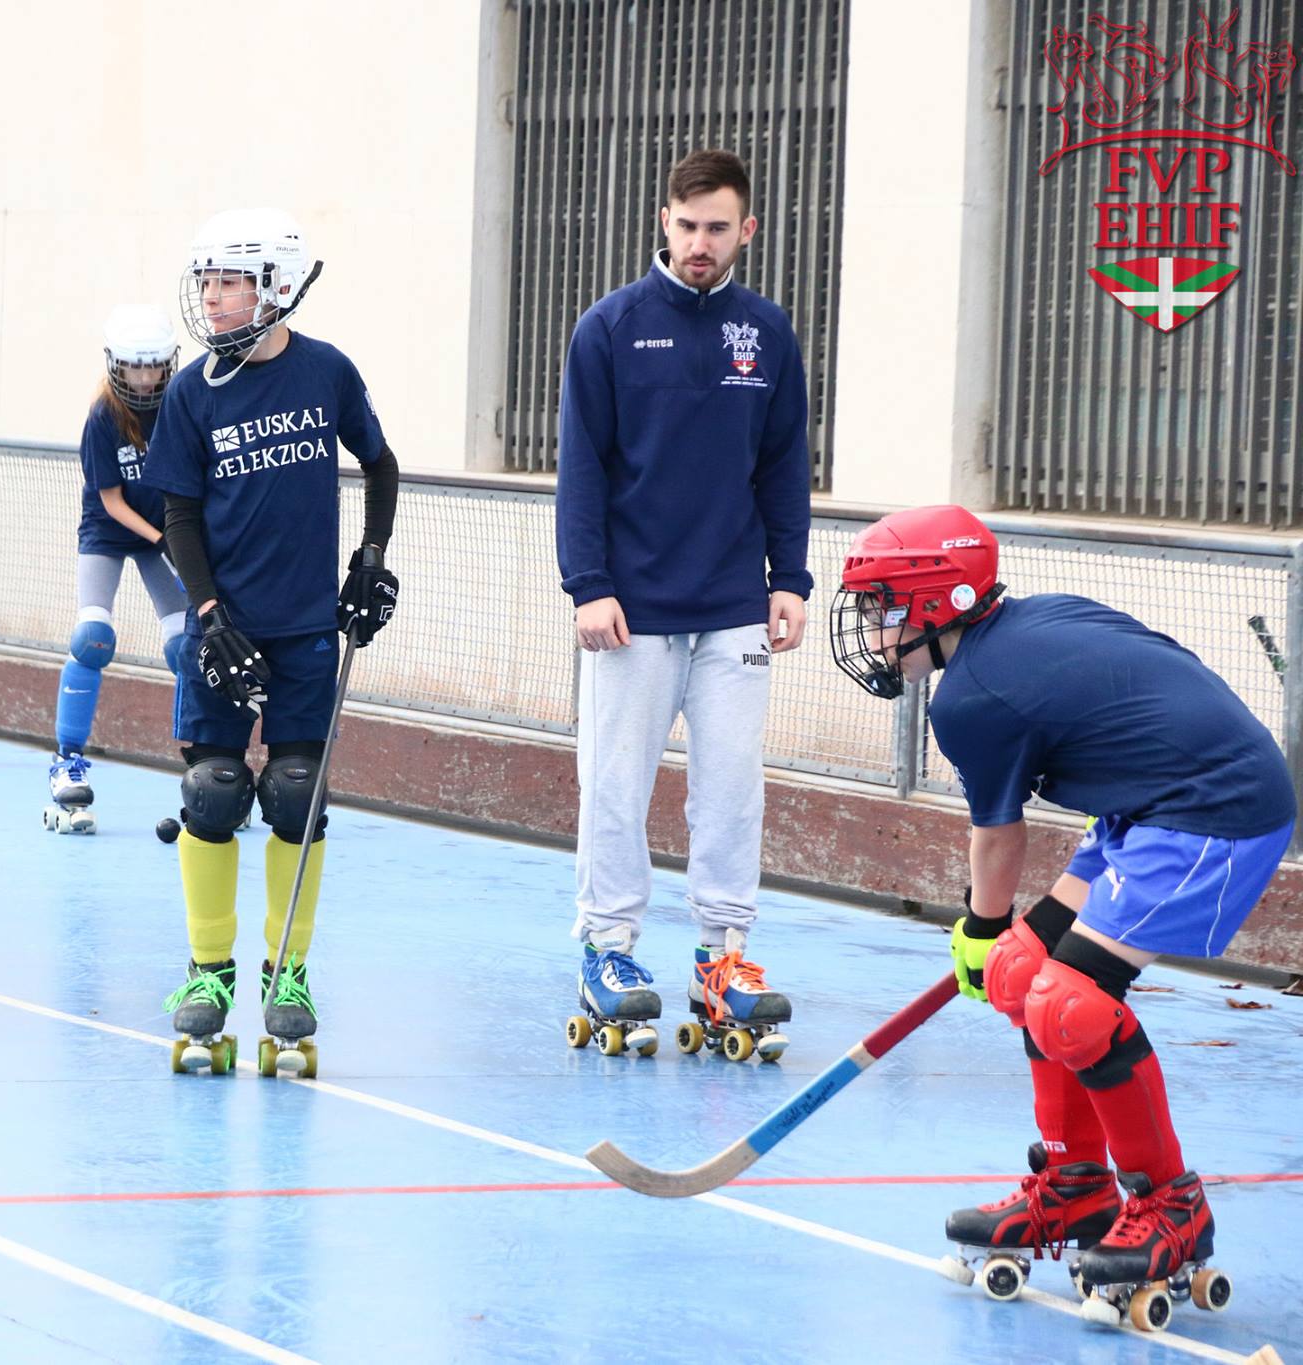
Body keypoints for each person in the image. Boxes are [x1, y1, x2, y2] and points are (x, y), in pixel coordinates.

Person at [831, 504, 1293, 1323]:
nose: (872, 630)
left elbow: (997, 837)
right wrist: (996, 946)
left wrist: (980, 928)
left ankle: (1171, 1202)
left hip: (1211, 807)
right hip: (1142, 806)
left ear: (941, 602)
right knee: (1022, 973)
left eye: (883, 608)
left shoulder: (969, 697)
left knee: (1069, 1000)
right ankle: (1078, 1184)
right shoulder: (1027, 622)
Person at [554, 148, 812, 1059]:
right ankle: (607, 948)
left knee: (733, 789)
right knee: (615, 785)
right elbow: (582, 470)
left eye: (718, 228)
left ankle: (722, 956)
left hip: (736, 605)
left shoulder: (767, 333)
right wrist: (589, 585)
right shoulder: (609, 329)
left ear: (747, 231)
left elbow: (784, 464)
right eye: (688, 225)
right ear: (664, 221)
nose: (701, 243)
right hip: (631, 612)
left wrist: (790, 578)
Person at [141, 207, 401, 1075]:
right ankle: (209, 971)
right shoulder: (192, 392)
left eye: (229, 282)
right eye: (207, 282)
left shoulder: (327, 371)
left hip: (305, 628)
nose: (212, 299)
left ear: (276, 287)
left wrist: (370, 558)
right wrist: (208, 613)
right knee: (213, 792)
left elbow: (380, 463)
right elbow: (178, 513)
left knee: (295, 793)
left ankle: (287, 971)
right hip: (225, 627)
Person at [43, 304, 190, 835]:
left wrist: (180, 537)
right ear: (116, 364)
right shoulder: (103, 416)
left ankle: (209, 765)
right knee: (93, 637)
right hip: (112, 531)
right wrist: (164, 539)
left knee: (188, 647)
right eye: (135, 367)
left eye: (154, 367)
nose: (145, 379)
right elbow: (111, 501)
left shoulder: (179, 405)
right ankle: (67, 762)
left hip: (161, 530)